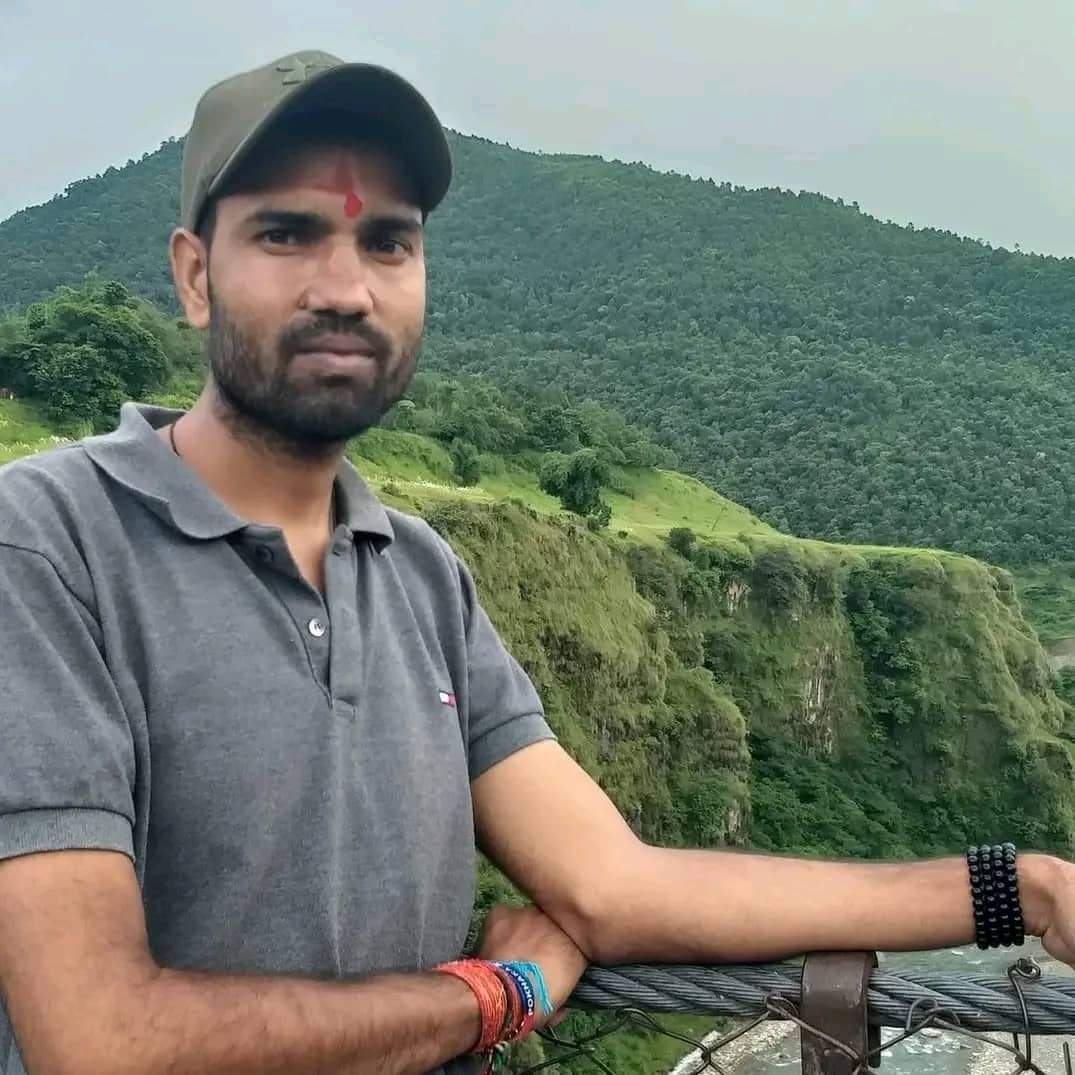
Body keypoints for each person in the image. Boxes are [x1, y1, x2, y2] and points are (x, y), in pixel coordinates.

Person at [0, 48, 1072, 1075]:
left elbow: (615, 886)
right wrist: (496, 993)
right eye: (286, 235)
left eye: (388, 241)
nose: (346, 288)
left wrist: (1014, 890)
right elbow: (101, 1039)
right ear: (195, 276)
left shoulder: (419, 575)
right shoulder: (50, 545)